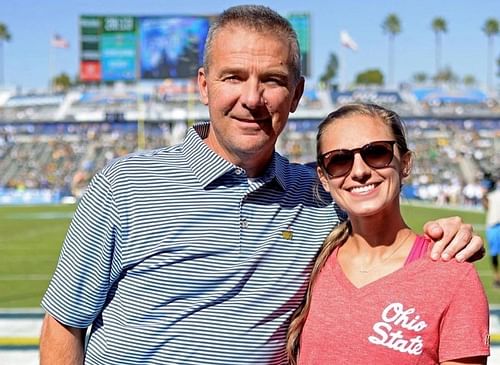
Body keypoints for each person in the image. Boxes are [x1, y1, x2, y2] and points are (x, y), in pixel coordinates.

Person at [39, 5, 484, 365]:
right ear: (203, 85)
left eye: (271, 80)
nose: (252, 99)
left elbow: (381, 222)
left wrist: (450, 235)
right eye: (233, 77)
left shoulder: (319, 194)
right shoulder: (125, 184)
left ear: (296, 93)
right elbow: (64, 324)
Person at [287, 103, 489, 364]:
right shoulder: (308, 263)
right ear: (323, 178)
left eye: (376, 153)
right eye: (339, 160)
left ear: (405, 163)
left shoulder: (453, 276)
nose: (359, 171)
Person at [483, 179, 500, 288]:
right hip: (493, 227)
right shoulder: (491, 195)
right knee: (494, 254)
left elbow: (486, 207)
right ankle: (497, 278)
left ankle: (497, 278)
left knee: (494, 255)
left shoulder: (490, 195)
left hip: (493, 227)